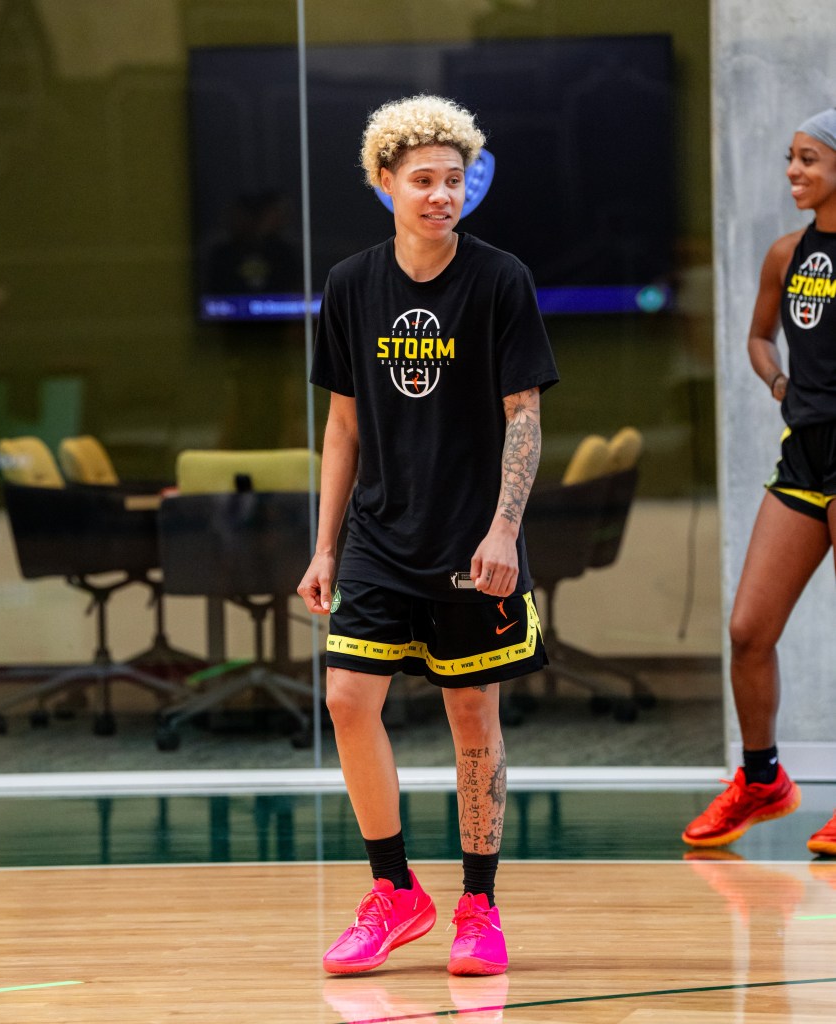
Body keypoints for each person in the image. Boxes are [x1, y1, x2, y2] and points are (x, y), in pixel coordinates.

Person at [297, 94, 558, 976]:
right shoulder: (349, 285)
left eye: (454, 180)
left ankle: (478, 906)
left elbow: (523, 417)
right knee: (345, 701)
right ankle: (394, 891)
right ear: (384, 184)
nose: (441, 195)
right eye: (422, 181)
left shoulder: (499, 279)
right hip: (378, 534)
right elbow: (342, 428)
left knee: (470, 713)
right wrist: (325, 545)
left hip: (469, 539)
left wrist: (503, 531)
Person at [682, 106, 836, 856]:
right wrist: (776, 381)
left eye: (807, 159)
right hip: (803, 461)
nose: (792, 172)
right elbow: (755, 333)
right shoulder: (786, 252)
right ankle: (761, 779)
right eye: (788, 158)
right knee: (748, 630)